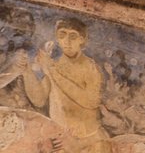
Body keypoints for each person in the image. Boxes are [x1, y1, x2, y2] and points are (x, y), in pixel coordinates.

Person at [21, 19, 110, 153]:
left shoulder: (90, 67)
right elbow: (39, 100)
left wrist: (51, 68)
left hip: (87, 142)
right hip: (61, 141)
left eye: (73, 36)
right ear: (57, 38)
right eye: (62, 35)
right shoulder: (56, 66)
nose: (67, 41)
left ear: (82, 39)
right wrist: (27, 71)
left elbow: (91, 101)